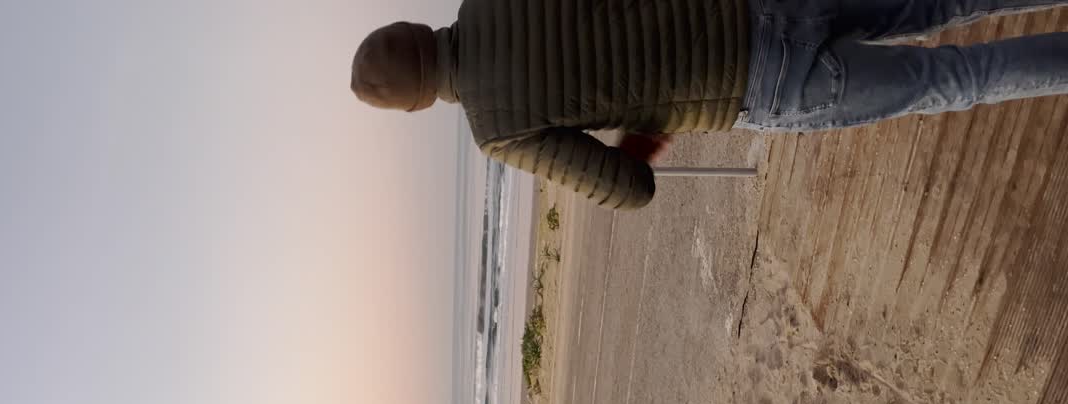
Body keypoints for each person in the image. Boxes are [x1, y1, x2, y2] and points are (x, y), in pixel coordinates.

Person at [349, 0, 1068, 210]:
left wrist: (645, 122)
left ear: (417, 106)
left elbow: (626, 187)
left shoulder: (497, 130)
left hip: (758, 84)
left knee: (954, 78)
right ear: (414, 27)